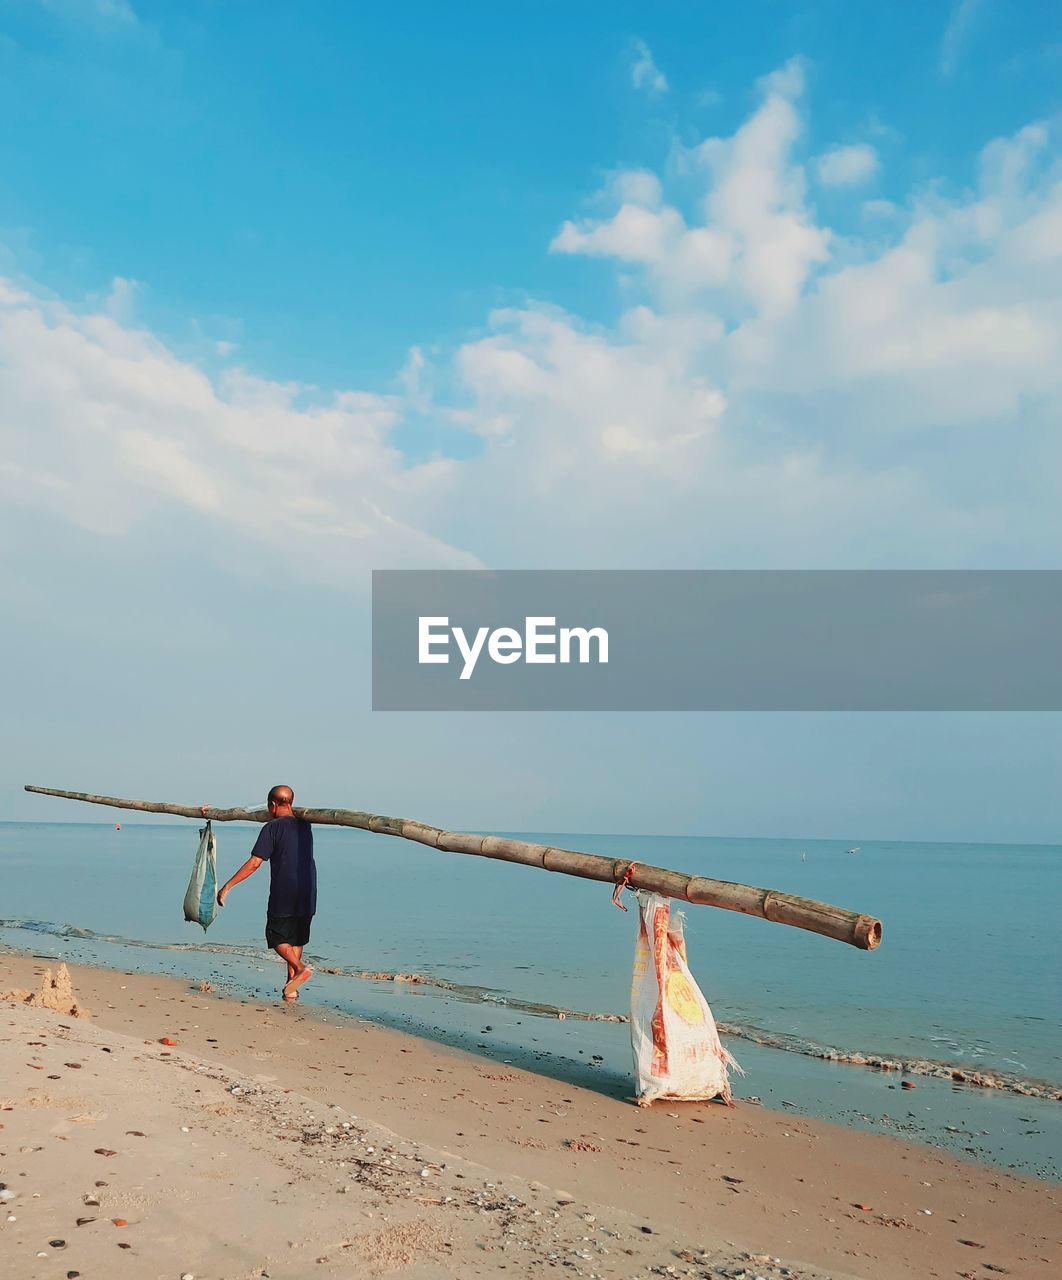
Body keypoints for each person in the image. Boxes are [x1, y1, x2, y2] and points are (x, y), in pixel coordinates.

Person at [214, 785, 315, 1002]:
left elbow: (255, 862)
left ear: (272, 804)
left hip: (284, 891)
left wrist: (228, 886)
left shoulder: (272, 828)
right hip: (309, 891)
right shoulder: (305, 826)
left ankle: (300, 968)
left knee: (276, 936)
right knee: (296, 939)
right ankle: (291, 990)